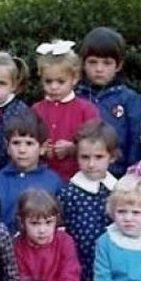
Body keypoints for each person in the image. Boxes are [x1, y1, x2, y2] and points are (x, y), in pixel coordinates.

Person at [57, 122, 117, 281]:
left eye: (99, 157)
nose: (91, 164)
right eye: (85, 157)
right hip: (79, 261)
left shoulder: (118, 190)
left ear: (111, 157)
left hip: (110, 265)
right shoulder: (69, 192)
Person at [74, 27, 141, 175]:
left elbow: (135, 142)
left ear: (118, 65)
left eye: (107, 63)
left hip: (118, 175)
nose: (99, 69)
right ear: (83, 63)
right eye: (93, 62)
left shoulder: (129, 98)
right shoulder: (75, 96)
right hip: (80, 175)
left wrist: (131, 174)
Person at [31, 39, 99, 182]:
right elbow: (27, 141)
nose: (54, 87)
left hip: (78, 179)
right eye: (48, 81)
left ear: (74, 79)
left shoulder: (86, 109)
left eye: (60, 81)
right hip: (41, 178)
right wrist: (39, 149)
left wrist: (73, 148)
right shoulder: (36, 109)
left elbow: (97, 143)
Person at [0, 111, 63, 234]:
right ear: (7, 146)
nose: (22, 150)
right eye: (16, 143)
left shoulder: (53, 181)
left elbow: (60, 222)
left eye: (29, 143)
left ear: (42, 148)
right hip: (6, 246)